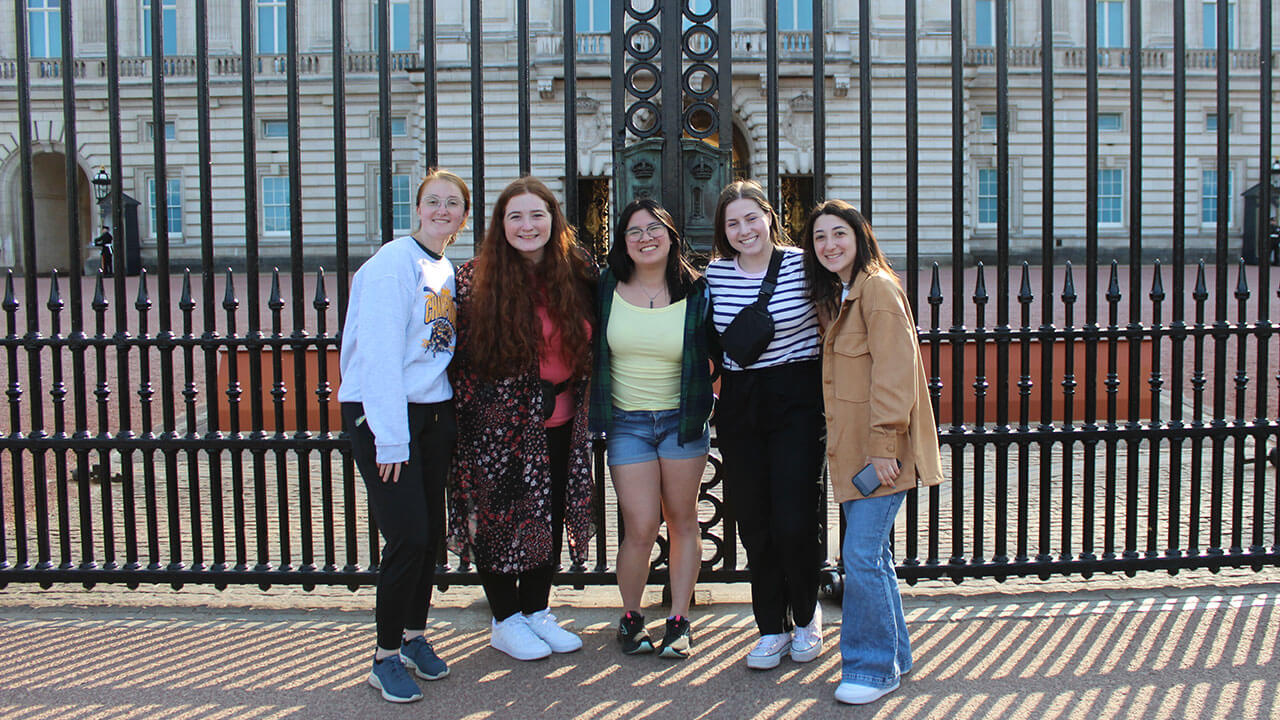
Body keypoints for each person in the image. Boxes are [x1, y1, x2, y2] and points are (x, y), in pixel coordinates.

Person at [800, 199, 944, 705]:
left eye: (838, 234)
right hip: (855, 451)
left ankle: (871, 666)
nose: (829, 245)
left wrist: (884, 445)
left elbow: (896, 371)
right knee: (872, 557)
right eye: (820, 238)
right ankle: (895, 655)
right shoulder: (843, 294)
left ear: (859, 237)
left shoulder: (877, 290)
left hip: (881, 452)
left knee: (860, 556)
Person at [448, 176, 598, 661]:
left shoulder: (575, 272)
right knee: (497, 521)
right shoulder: (475, 279)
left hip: (562, 420)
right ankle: (505, 618)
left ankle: (535, 611)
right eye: (515, 216)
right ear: (501, 224)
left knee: (548, 518)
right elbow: (459, 359)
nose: (527, 225)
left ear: (554, 220)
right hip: (496, 426)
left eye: (537, 214)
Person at [338, 169, 469, 703]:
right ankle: (384, 655)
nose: (442, 210)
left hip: (433, 413)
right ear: (417, 209)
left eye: (453, 203)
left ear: (463, 216)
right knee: (408, 538)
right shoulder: (393, 264)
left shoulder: (444, 268)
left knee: (428, 537)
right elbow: (377, 358)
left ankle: (414, 635)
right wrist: (391, 438)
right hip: (386, 415)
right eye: (433, 201)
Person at [705, 179, 826, 670]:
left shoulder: (803, 263)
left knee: (795, 517)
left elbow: (837, 314)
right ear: (724, 230)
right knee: (754, 519)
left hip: (798, 397)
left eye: (751, 218)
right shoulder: (713, 276)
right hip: (741, 402)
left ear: (769, 217)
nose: (744, 230)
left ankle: (806, 613)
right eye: (733, 223)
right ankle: (770, 626)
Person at [588, 198, 714, 659]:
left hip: (682, 422)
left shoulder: (697, 290)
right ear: (622, 242)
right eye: (634, 231)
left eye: (653, 227)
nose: (645, 238)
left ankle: (679, 619)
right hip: (627, 423)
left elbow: (724, 345)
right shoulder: (605, 287)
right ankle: (631, 617)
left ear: (670, 233)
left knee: (682, 521)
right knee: (640, 525)